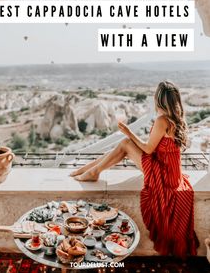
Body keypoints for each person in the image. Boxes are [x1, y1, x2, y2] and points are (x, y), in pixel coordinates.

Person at [70, 80, 199, 258]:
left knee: (125, 143)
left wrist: (129, 131)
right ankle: (89, 169)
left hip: (162, 174)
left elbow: (147, 149)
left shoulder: (162, 120)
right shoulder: (176, 118)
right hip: (170, 172)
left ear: (159, 100)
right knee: (123, 147)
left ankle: (92, 172)